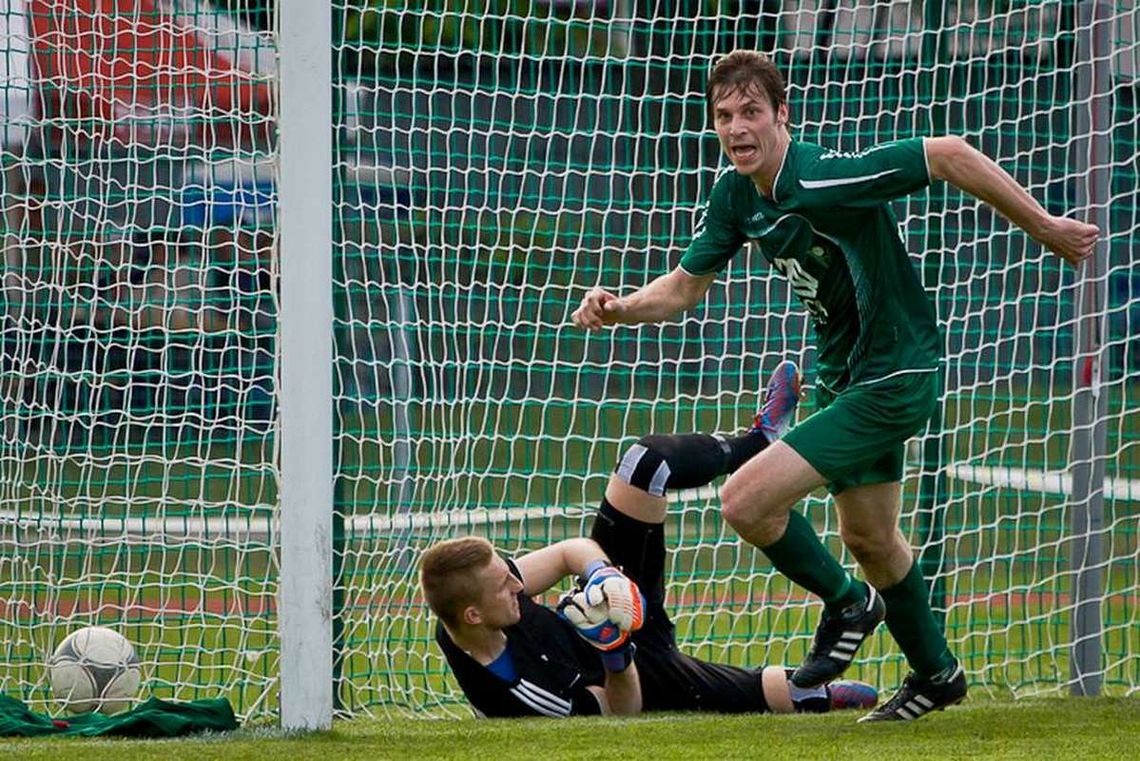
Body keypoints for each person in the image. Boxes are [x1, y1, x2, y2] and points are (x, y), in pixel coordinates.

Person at [571, 50, 1100, 721]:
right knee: (871, 539)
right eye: (724, 115)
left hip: (894, 373)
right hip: (844, 377)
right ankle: (937, 674)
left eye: (751, 111)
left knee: (745, 501)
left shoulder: (821, 177)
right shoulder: (736, 195)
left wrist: (1046, 227)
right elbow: (682, 288)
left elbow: (946, 153)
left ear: (782, 115)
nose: (737, 127)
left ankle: (849, 604)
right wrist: (620, 306)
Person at [420, 362, 878, 718]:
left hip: (616, 601)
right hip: (632, 670)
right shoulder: (521, 697)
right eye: (506, 587)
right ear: (474, 615)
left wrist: (601, 575)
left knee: (646, 463)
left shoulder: (475, 605)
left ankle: (758, 443)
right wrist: (615, 651)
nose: (519, 585)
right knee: (784, 695)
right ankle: (809, 692)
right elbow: (621, 711)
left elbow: (566, 553)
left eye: (510, 575)